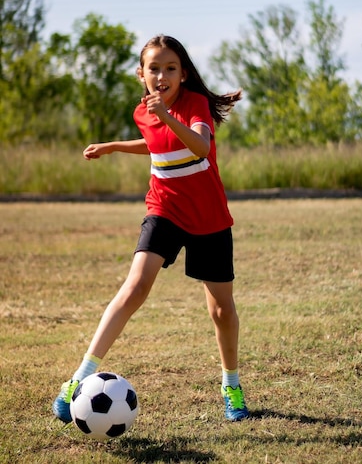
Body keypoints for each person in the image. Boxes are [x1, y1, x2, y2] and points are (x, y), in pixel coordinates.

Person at [52, 34, 249, 423]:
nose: (161, 75)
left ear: (183, 73)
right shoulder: (145, 111)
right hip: (164, 208)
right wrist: (112, 146)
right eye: (154, 68)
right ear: (141, 74)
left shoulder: (195, 105)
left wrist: (167, 115)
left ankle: (231, 385)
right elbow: (156, 142)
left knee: (221, 311)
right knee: (135, 286)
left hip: (208, 216)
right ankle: (78, 379)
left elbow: (199, 147)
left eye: (170, 68)